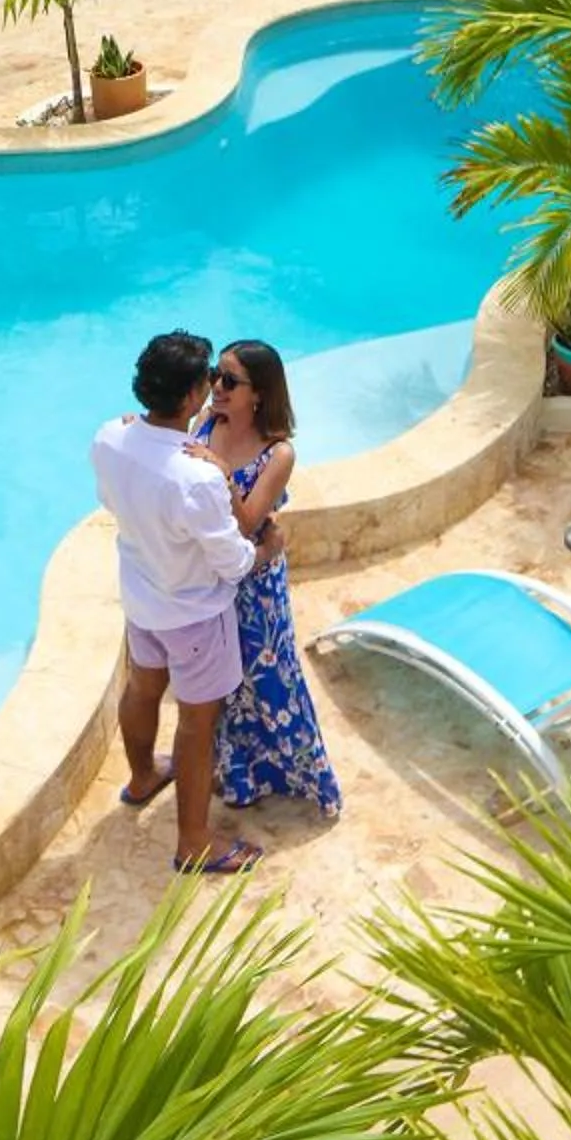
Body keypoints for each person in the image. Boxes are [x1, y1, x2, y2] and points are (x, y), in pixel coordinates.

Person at [91, 329, 261, 877]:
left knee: (143, 686)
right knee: (195, 721)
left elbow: (108, 497)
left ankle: (142, 777)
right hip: (194, 614)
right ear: (192, 398)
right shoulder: (197, 478)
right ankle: (194, 841)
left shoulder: (109, 437)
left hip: (141, 600)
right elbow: (233, 562)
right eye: (210, 380)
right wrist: (267, 547)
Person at [195, 340, 341, 819]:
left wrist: (218, 472)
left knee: (270, 678)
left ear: (258, 394)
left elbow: (245, 522)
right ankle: (238, 774)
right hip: (216, 578)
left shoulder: (278, 454)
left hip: (256, 587)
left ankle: (298, 773)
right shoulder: (208, 424)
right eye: (217, 375)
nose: (216, 387)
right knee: (226, 683)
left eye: (230, 381)